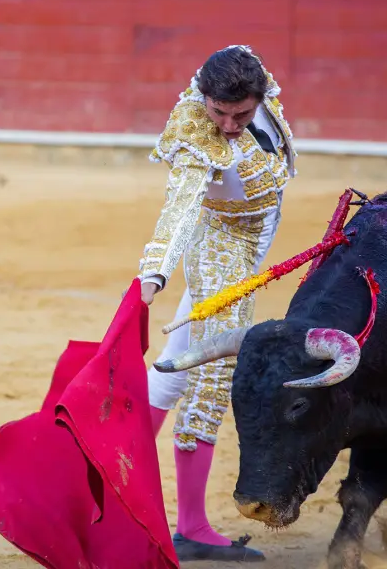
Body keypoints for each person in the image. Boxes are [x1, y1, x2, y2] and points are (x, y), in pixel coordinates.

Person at [136, 45, 297, 562]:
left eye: (241, 115)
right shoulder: (194, 139)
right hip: (223, 252)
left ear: (262, 96)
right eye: (218, 112)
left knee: (170, 374)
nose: (228, 124)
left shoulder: (252, 74)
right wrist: (154, 275)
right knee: (210, 379)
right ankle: (191, 527)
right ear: (203, 98)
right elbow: (180, 208)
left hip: (247, 247)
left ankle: (109, 482)